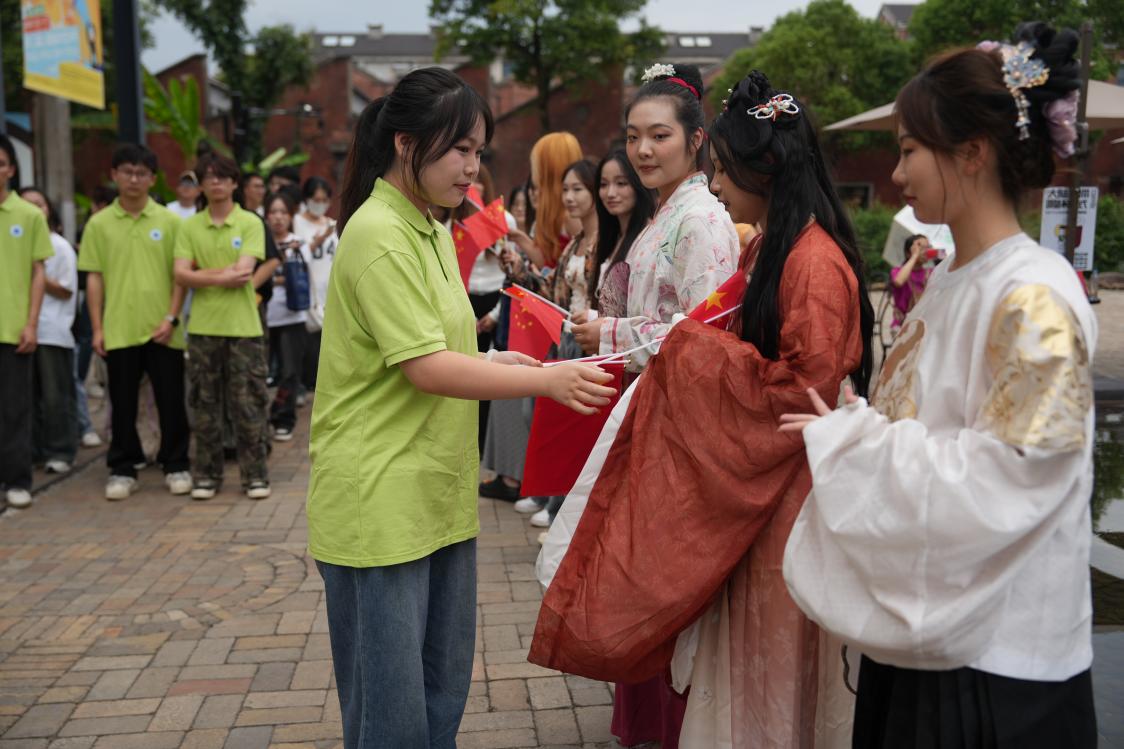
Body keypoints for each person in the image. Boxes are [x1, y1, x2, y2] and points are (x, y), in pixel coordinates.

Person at [781, 23, 1097, 748]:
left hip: (997, 657)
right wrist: (858, 427)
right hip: (934, 628)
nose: (897, 173)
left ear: (972, 152)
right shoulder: (955, 275)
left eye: (909, 149)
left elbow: (1016, 476)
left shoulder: (1032, 296)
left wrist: (854, 444)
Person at [307, 67, 615, 748]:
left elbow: (443, 346)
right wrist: (544, 384)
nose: (473, 168)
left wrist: (498, 363)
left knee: (439, 691)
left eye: (479, 151)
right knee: (392, 711)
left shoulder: (430, 227)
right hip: (380, 500)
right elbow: (424, 368)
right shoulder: (378, 232)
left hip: (435, 494)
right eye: (459, 150)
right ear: (406, 144)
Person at [571, 64, 740, 373]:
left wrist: (612, 336)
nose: (642, 150)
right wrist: (603, 325)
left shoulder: (700, 221)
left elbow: (706, 339)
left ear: (695, 139)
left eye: (659, 136)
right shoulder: (665, 215)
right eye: (632, 137)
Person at [80, 144, 192, 500]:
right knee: (122, 402)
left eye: (141, 173)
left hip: (164, 329)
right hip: (119, 327)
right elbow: (94, 278)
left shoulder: (170, 222)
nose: (133, 179)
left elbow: (180, 276)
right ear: (114, 175)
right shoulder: (99, 224)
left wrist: (171, 318)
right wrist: (97, 328)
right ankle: (123, 467)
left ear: (153, 179)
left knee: (171, 401)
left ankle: (176, 464)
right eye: (127, 171)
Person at [479, 134, 582, 505]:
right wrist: (522, 249)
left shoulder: (570, 217)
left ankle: (551, 498)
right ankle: (544, 495)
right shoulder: (553, 215)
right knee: (533, 408)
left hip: (567, 324)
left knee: (548, 411)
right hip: (547, 318)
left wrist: (524, 251)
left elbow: (555, 272)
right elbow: (548, 267)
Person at [173, 153, 271, 501]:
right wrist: (221, 275)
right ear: (201, 184)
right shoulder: (189, 226)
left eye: (223, 177)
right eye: (209, 177)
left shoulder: (250, 222)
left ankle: (255, 476)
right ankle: (206, 475)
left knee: (248, 403)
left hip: (244, 328)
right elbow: (180, 274)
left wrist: (200, 275)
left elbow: (243, 272)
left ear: (234, 183)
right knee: (204, 404)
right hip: (203, 327)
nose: (216, 182)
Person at [0, 134, 53, 510]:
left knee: (15, 408)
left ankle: (17, 480)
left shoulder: (29, 215)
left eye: (1, 164)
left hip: (14, 328)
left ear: (11, 170)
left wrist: (31, 323)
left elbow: (38, 272)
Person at [20, 187, 79, 476]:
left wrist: (36, 274)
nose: (34, 210)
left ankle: (60, 451)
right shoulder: (14, 242)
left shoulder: (59, 246)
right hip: (18, 331)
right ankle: (32, 452)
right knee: (25, 398)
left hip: (52, 331)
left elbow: (67, 290)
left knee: (56, 397)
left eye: (39, 204)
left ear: (49, 211)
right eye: (27, 204)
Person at [263, 191, 311, 441]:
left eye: (283, 212)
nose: (278, 217)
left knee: (290, 372)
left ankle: (283, 418)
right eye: (273, 212)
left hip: (292, 316)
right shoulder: (259, 242)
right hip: (262, 316)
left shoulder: (299, 244)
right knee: (261, 372)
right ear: (266, 215)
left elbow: (307, 275)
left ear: (291, 216)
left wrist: (274, 277)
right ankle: (262, 418)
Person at [588, 149, 656, 319]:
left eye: (621, 183)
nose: (610, 193)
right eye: (603, 185)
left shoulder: (648, 238)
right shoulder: (610, 237)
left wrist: (592, 317)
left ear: (638, 184)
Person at [75, 184, 117, 449]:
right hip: (94, 306)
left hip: (116, 308)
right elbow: (90, 276)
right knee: (82, 365)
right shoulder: (92, 228)